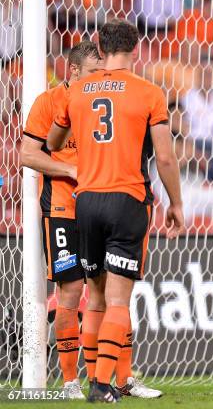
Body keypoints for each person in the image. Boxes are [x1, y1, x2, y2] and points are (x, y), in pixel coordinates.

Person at [47, 19, 184, 403]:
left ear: (101, 51)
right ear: (135, 48)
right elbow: (165, 158)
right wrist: (176, 202)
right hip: (127, 199)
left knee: (96, 297)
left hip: (86, 201)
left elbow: (54, 140)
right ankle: (103, 384)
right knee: (120, 301)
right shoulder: (149, 93)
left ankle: (96, 378)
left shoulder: (77, 91)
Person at [21, 41, 98, 400]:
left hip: (99, 206)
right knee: (69, 292)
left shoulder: (101, 106)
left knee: (102, 291)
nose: (99, 80)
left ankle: (105, 376)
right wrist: (69, 168)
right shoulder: (48, 102)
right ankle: (69, 382)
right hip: (62, 207)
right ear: (74, 72)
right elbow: (26, 154)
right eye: (92, 74)